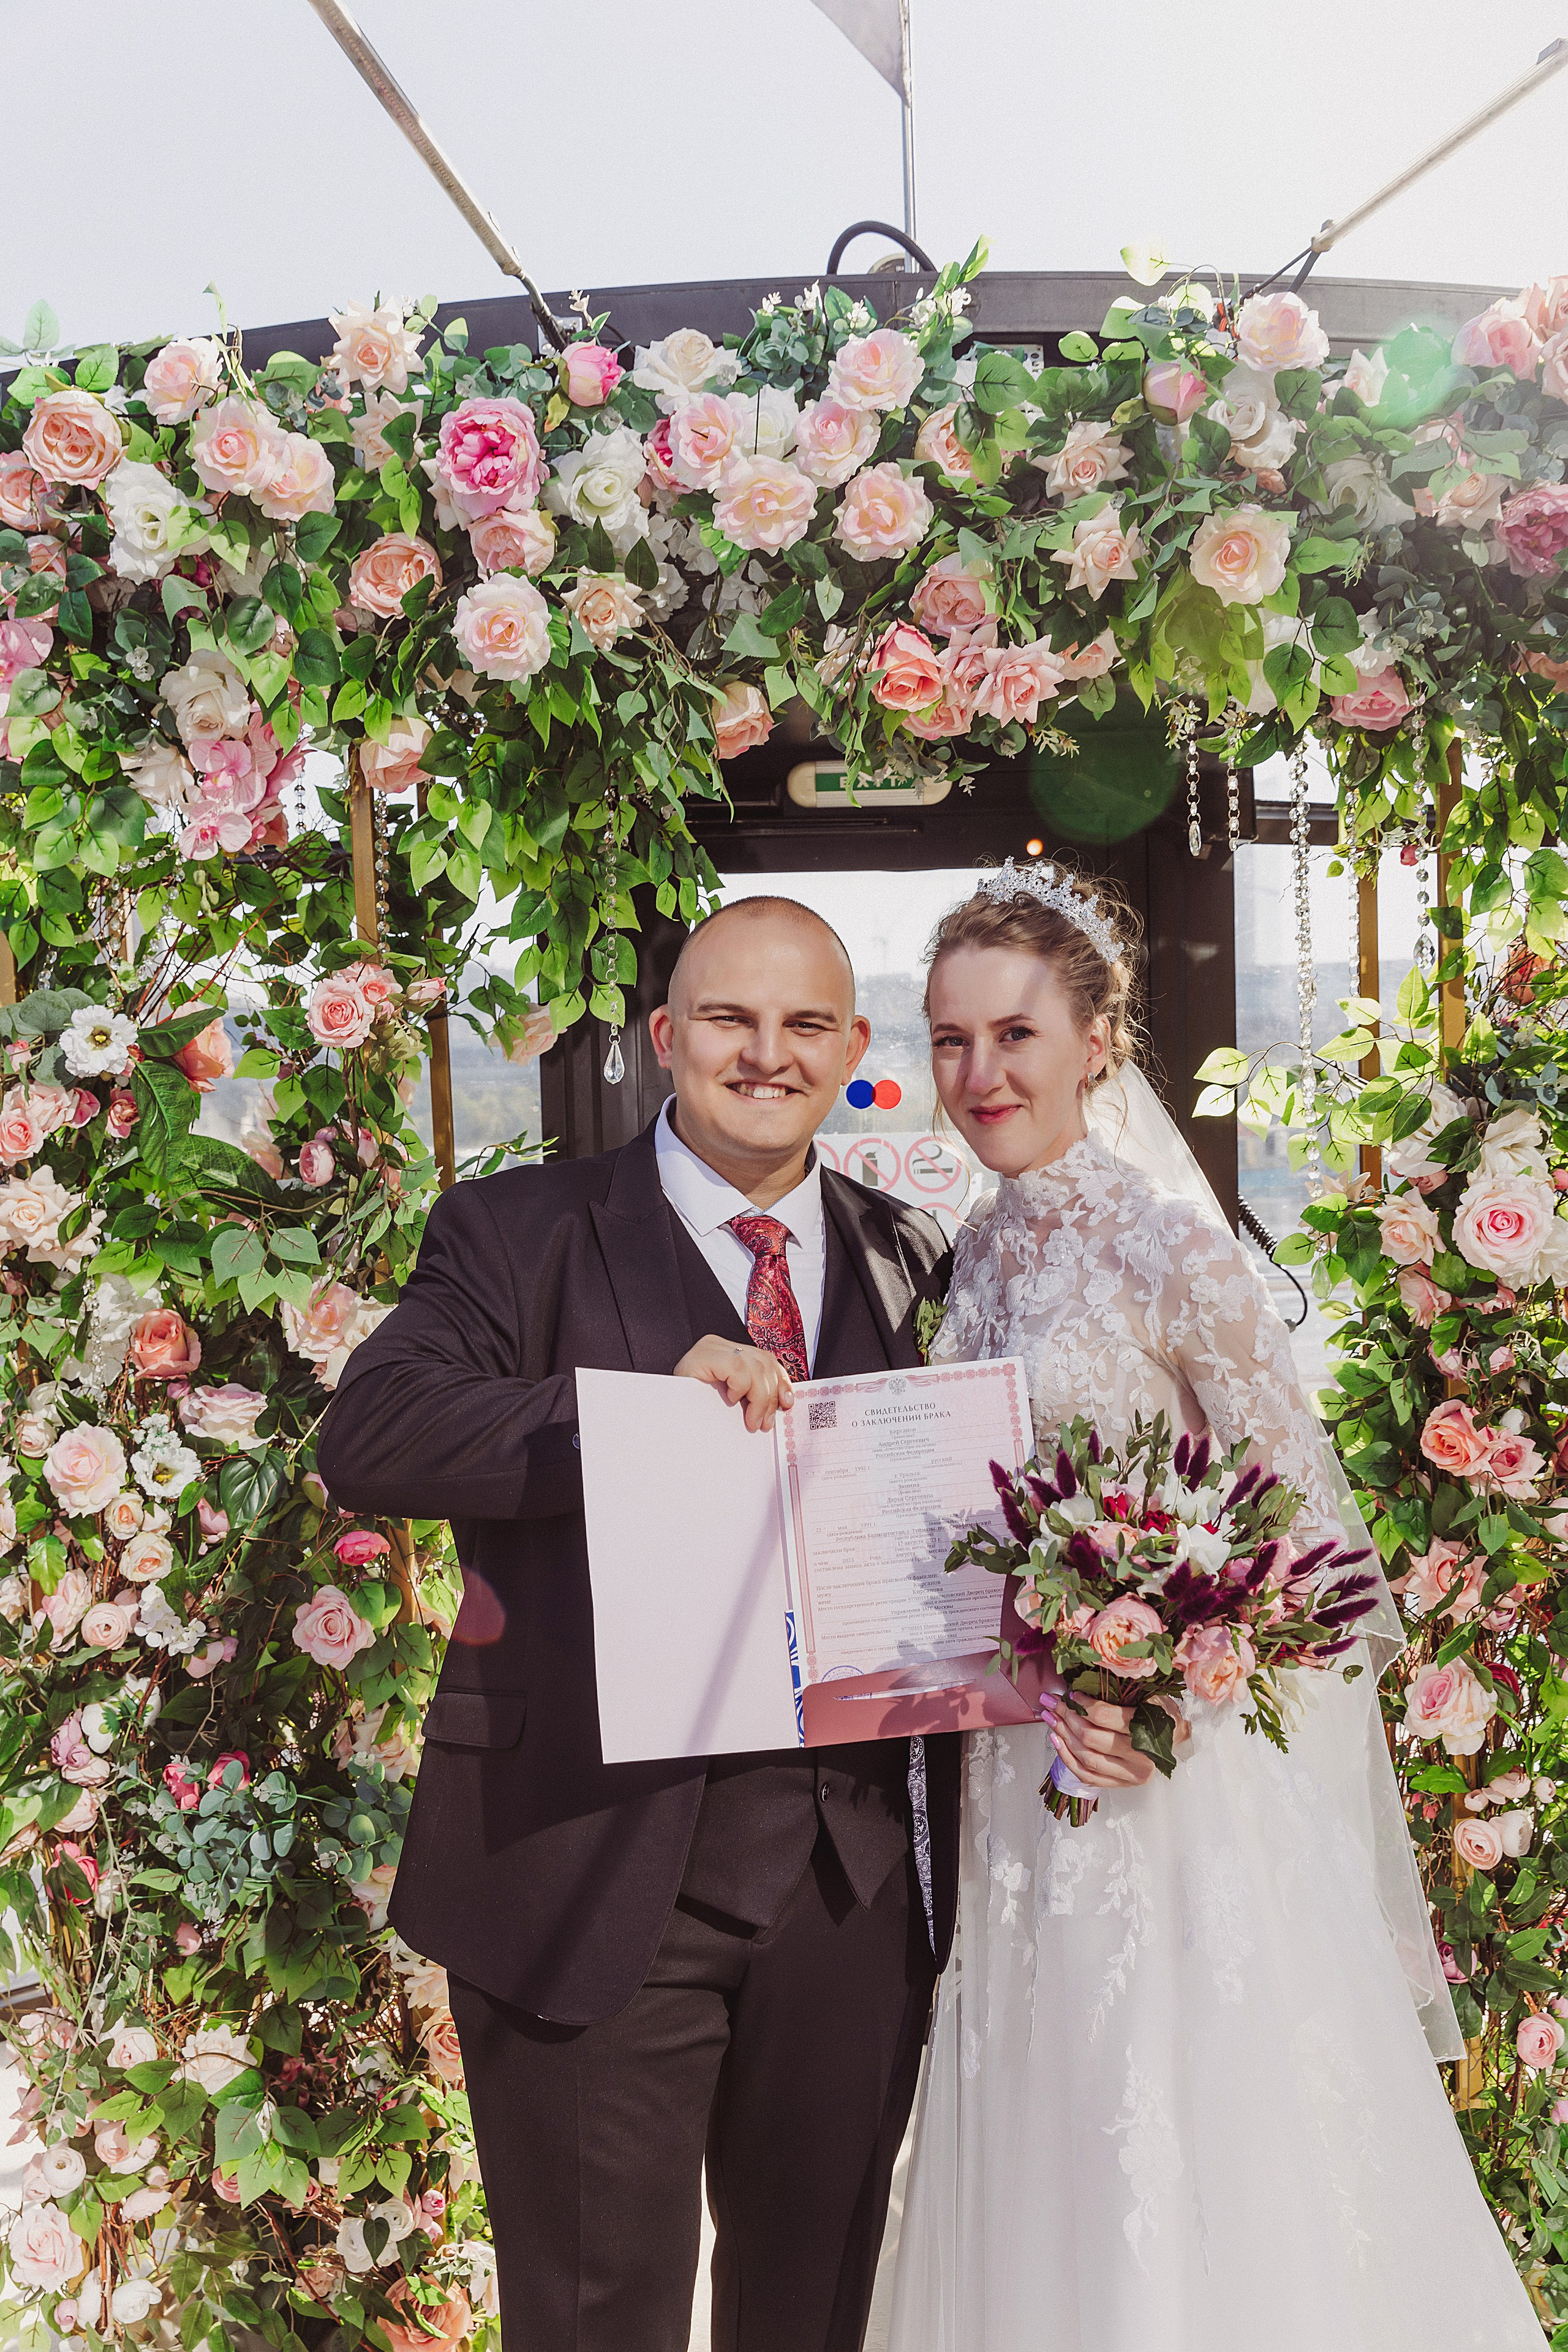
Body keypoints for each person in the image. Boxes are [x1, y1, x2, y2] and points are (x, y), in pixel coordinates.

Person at [885, 861, 1544, 2351]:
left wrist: (1147, 1681)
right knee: (1032, 2107)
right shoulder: (970, 1251)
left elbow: (1303, 1555)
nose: (977, 1075)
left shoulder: (1168, 1245)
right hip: (1010, 1767)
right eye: (946, 1039)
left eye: (1013, 1037)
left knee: (1174, 2108)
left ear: (1097, 1041)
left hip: (1150, 1785)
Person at [316, 895, 959, 2352]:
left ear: (853, 1050)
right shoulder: (513, 1228)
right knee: (596, 2320)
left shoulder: (908, 1249)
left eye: (805, 1026)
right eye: (729, 1019)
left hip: (846, 1889)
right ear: (665, 1039)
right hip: (587, 1875)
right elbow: (376, 1436)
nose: (765, 1055)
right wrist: (626, 1420)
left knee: (811, 2315)